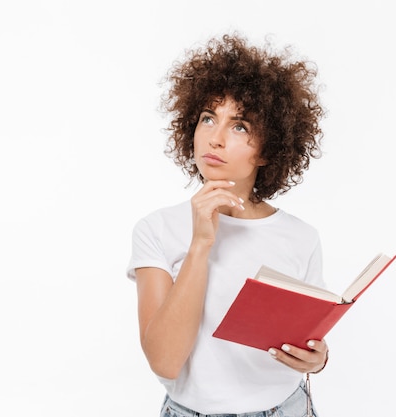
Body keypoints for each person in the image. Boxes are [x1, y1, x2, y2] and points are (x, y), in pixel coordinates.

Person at [126, 33, 329, 417]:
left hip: (288, 408)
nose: (215, 139)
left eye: (239, 126)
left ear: (268, 149)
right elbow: (164, 362)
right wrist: (201, 243)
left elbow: (306, 343)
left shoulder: (301, 237)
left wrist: (317, 359)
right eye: (207, 118)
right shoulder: (156, 230)